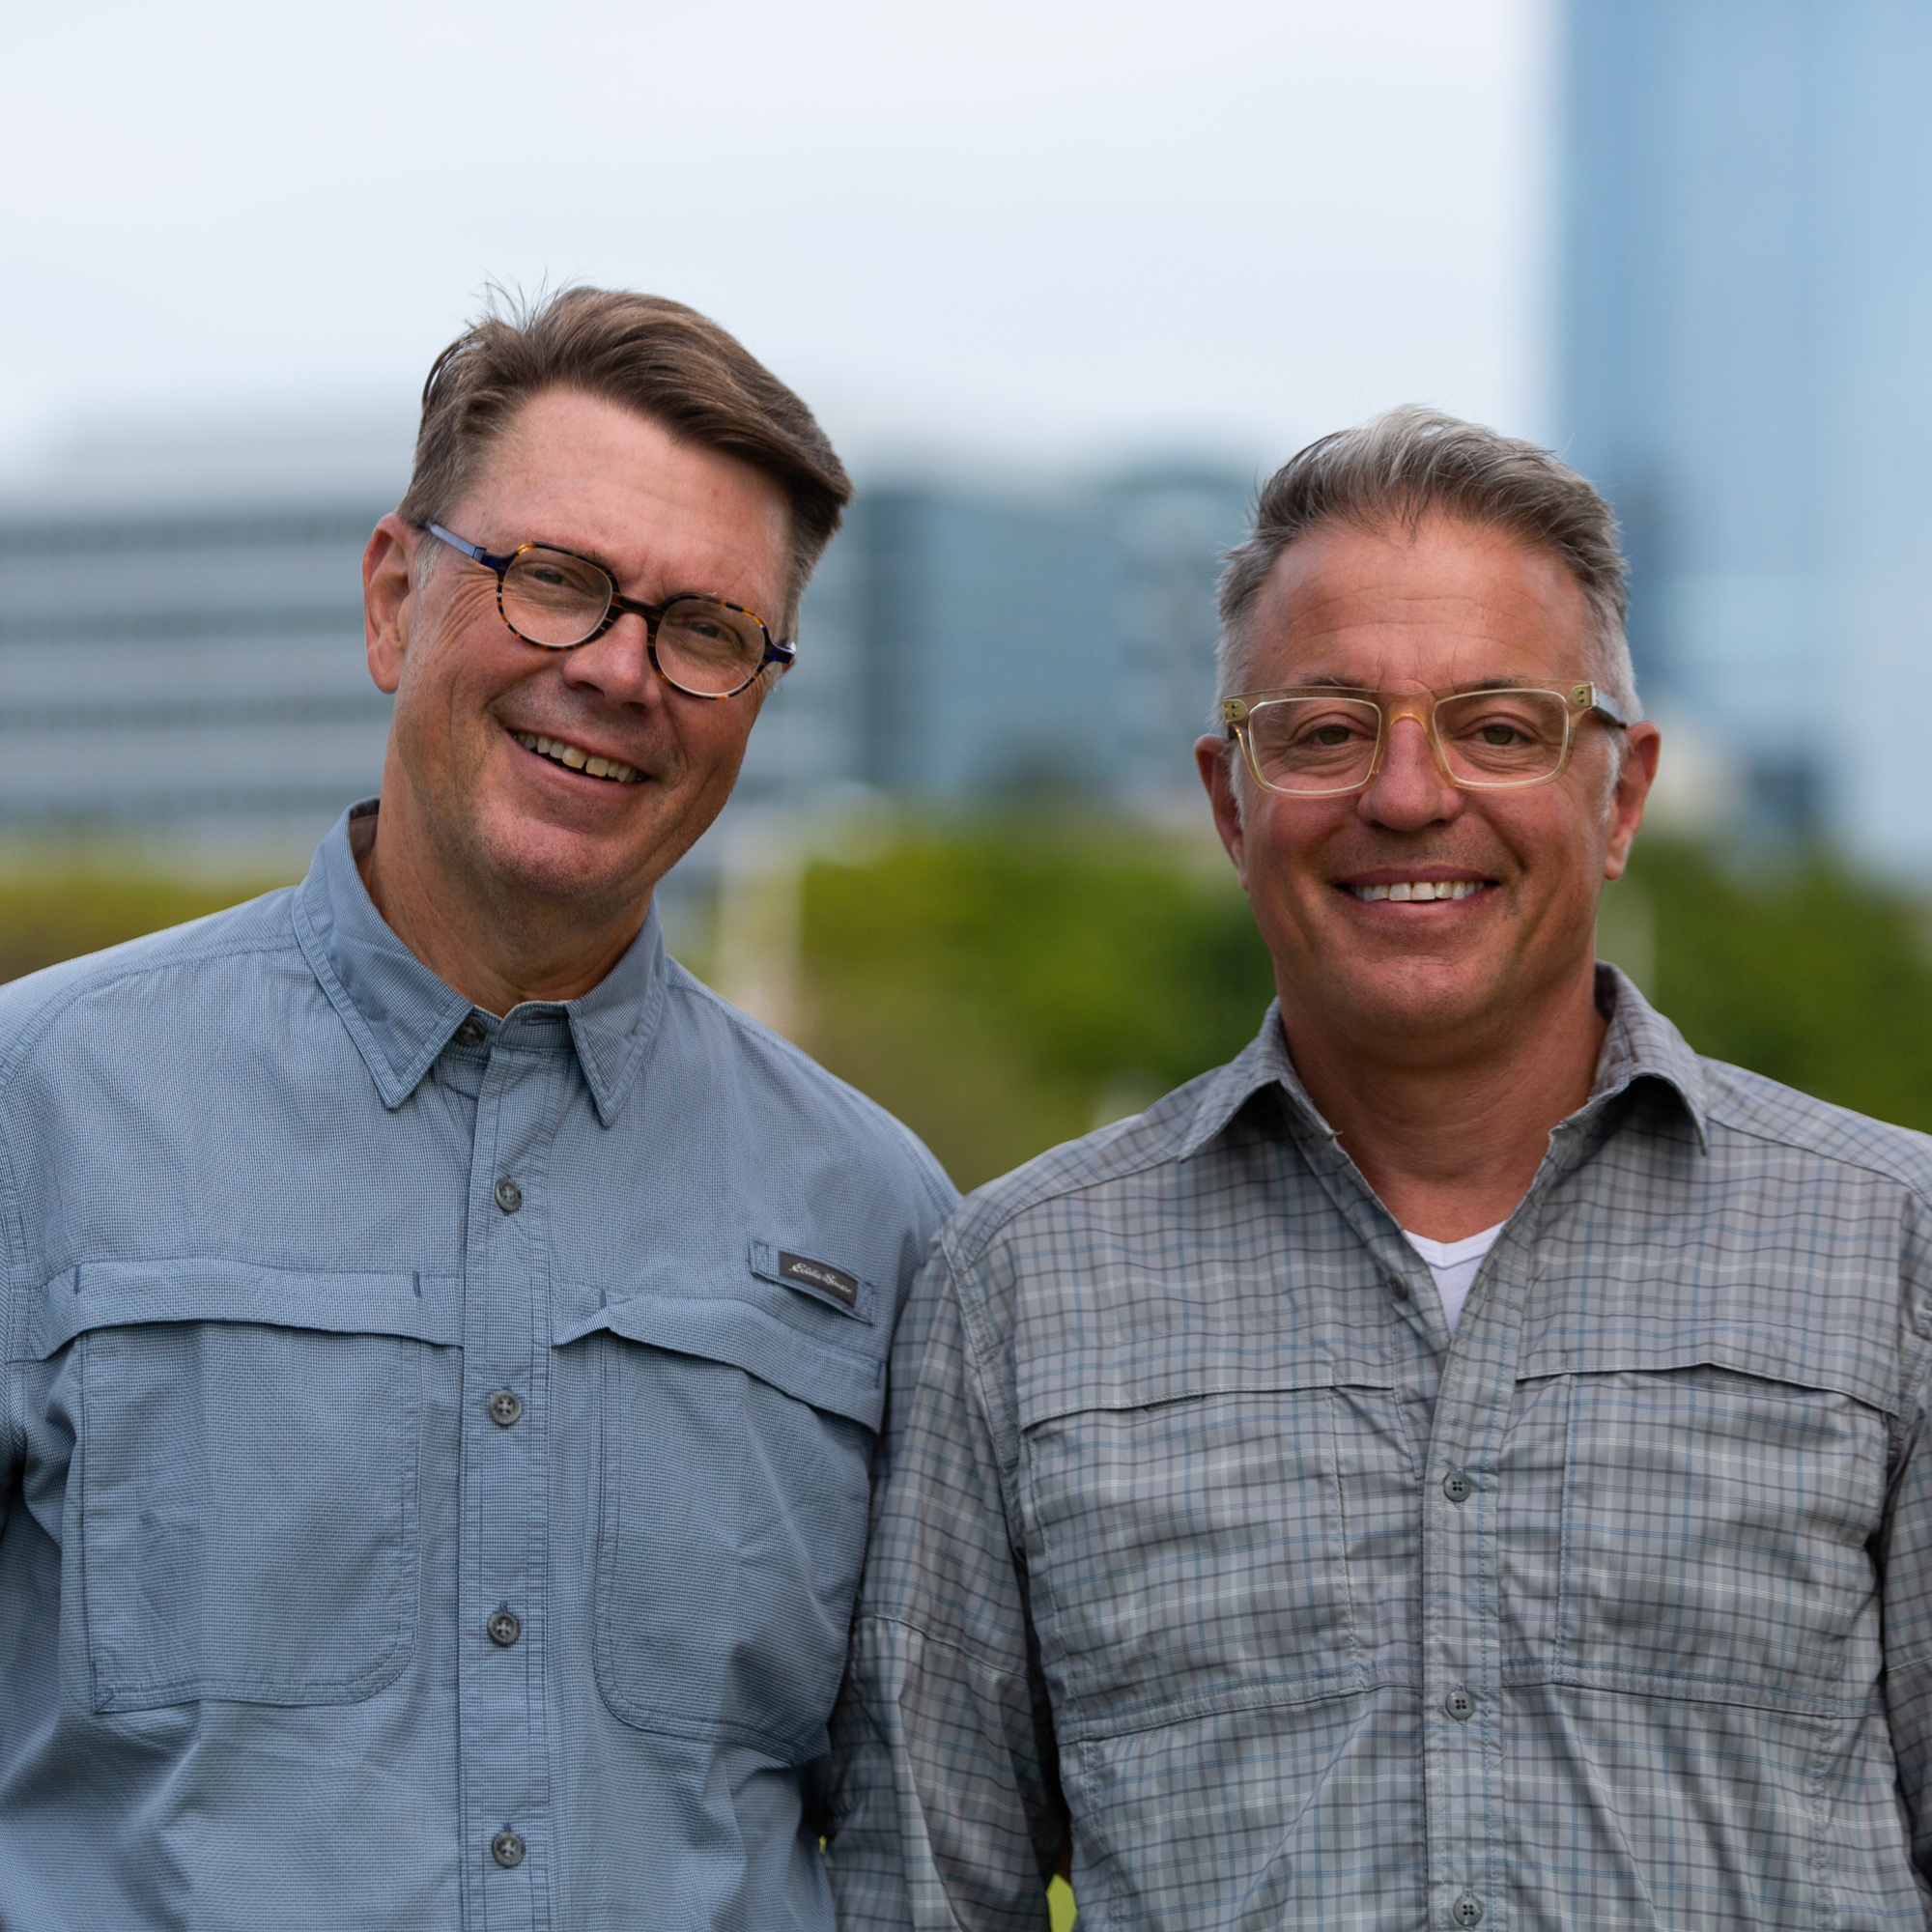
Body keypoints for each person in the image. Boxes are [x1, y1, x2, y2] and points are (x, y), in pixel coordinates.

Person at [827, 407, 1932, 1928]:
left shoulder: (1898, 1251)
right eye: (1328, 730)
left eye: (1498, 726)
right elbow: (927, 1894)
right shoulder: (1017, 1292)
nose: (1409, 796)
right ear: (1230, 800)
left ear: (1619, 794)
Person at [0, 288, 955, 1930]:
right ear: (395, 598)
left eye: (707, 628)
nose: (619, 672)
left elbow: (920, 1835)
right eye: (556, 581)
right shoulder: (40, 1110)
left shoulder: (879, 1219)